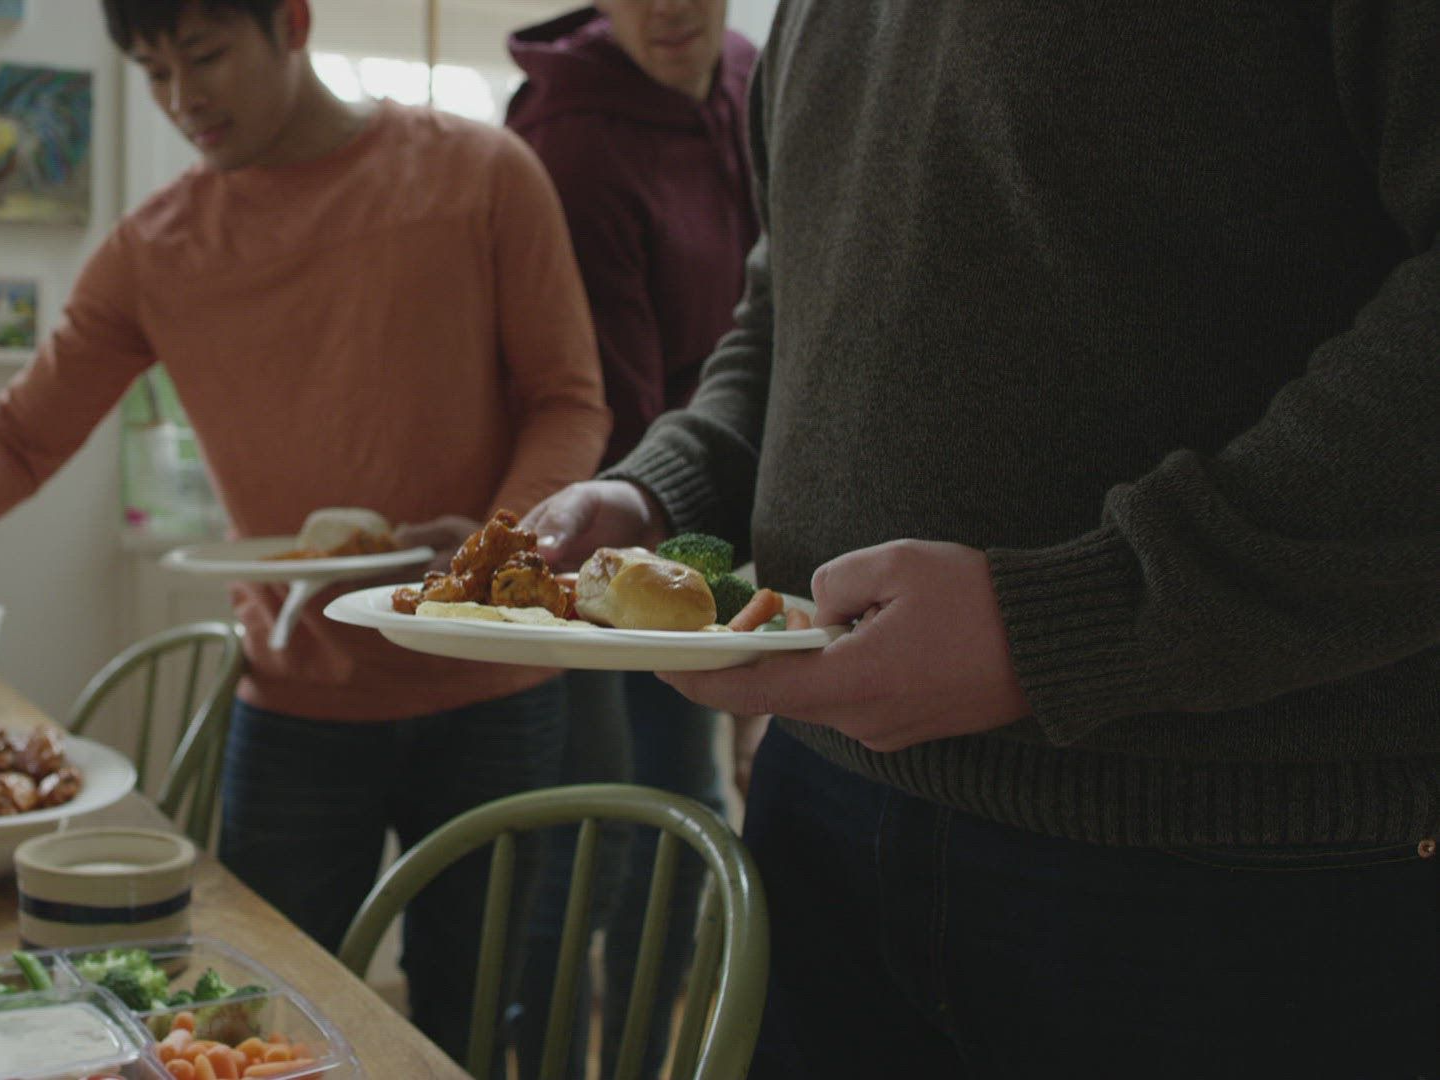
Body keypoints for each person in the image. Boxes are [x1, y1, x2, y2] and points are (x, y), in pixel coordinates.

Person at [526, 2, 1440, 1076]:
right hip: (823, 807)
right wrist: (664, 489)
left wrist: (1076, 619)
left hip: (1226, 851)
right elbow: (788, 305)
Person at [0, 0, 610, 1061]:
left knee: (485, 1032)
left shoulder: (481, 173)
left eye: (205, 56)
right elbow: (20, 437)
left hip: (494, 688)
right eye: (153, 70)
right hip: (297, 702)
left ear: (291, 22)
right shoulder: (156, 249)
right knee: (248, 1034)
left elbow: (567, 401)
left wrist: (500, 541)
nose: (182, 98)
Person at [496, 2, 756, 1076]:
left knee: (679, 836)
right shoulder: (570, 135)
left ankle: (640, 1063)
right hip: (603, 529)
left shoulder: (752, 80)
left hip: (705, 519)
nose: (668, 8)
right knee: (602, 843)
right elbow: (606, 396)